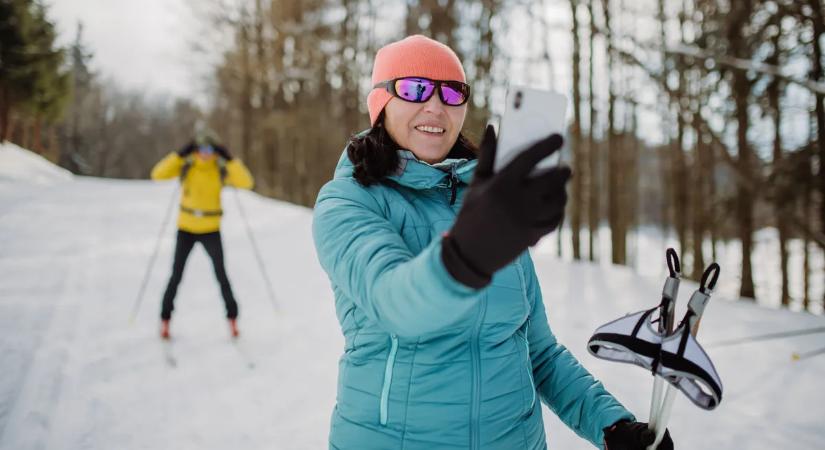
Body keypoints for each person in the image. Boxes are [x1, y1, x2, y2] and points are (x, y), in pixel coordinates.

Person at [312, 35, 674, 450]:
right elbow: (395, 303)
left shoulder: (490, 206)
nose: (435, 106)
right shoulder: (349, 200)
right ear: (381, 102)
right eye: (413, 89)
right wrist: (467, 252)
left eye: (452, 91)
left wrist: (611, 426)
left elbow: (536, 351)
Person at [150, 138, 253, 339]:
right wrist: (179, 154)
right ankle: (165, 319)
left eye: (210, 150)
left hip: (211, 229)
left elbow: (246, 182)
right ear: (195, 151)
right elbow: (157, 174)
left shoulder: (219, 169)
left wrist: (230, 159)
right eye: (201, 149)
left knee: (221, 275)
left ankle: (232, 319)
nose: (205, 153)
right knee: (176, 276)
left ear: (215, 152)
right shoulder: (187, 166)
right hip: (186, 228)